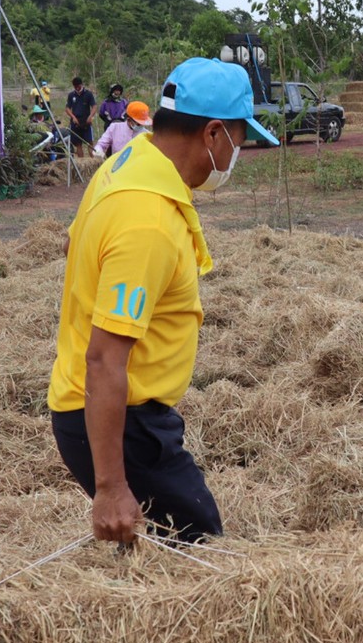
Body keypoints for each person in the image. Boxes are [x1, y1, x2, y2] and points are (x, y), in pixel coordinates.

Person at [48, 58, 279, 545]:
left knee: (156, 555)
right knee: (201, 548)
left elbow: (75, 244)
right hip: (122, 421)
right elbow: (105, 358)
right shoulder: (148, 220)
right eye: (240, 140)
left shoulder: (128, 163)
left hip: (107, 411)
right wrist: (110, 487)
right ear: (213, 134)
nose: (239, 153)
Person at [66, 75, 98, 159]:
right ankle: (81, 163)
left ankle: (93, 161)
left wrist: (91, 116)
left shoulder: (88, 94)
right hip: (75, 122)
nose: (77, 88)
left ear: (82, 84)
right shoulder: (71, 95)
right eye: (75, 87)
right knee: (78, 144)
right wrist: (73, 117)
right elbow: (67, 108)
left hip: (86, 121)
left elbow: (94, 106)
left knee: (90, 143)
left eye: (78, 86)